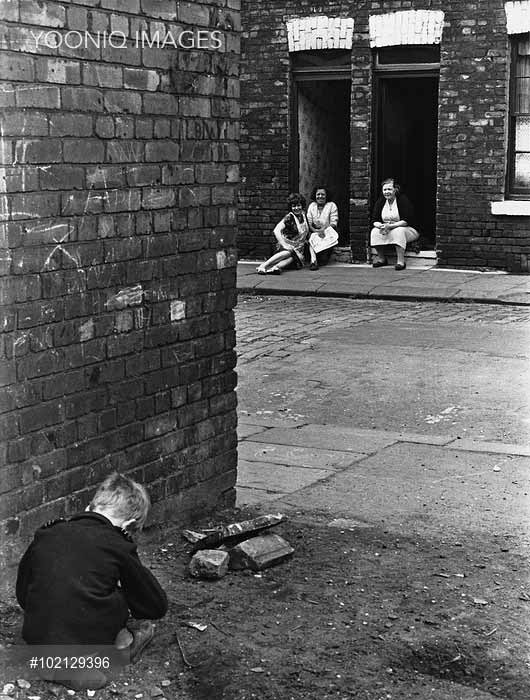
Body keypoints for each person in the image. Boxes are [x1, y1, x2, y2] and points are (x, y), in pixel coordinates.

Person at [16, 472, 168, 690]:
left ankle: (53, 663)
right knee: (118, 597)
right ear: (130, 524)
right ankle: (115, 651)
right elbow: (155, 605)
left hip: (37, 640)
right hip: (85, 641)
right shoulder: (118, 544)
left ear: (90, 507)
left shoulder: (47, 533)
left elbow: (23, 594)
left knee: (67, 589)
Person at [256, 192, 317, 274]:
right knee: (289, 252)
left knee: (293, 258)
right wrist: (284, 245)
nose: (296, 208)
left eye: (298, 205)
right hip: (283, 247)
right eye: (294, 206)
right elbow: (276, 230)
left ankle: (275, 268)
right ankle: (263, 265)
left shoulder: (304, 216)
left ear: (302, 205)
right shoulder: (289, 217)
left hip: (298, 249)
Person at [370, 178, 420, 270]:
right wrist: (380, 226)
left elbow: (406, 221)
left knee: (398, 231)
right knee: (374, 232)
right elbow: (375, 220)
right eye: (384, 190)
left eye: (389, 189)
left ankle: (401, 261)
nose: (387, 192)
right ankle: (382, 259)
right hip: (387, 228)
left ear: (395, 190)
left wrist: (391, 226)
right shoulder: (381, 201)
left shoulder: (402, 200)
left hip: (408, 229)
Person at [306, 186, 339, 268]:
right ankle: (313, 261)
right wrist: (315, 231)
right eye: (318, 194)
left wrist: (323, 230)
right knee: (313, 237)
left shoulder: (331, 205)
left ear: (326, 196)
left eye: (323, 194)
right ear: (315, 195)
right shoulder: (312, 206)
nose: (320, 196)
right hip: (314, 233)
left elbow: (334, 222)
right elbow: (308, 222)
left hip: (328, 233)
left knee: (324, 261)